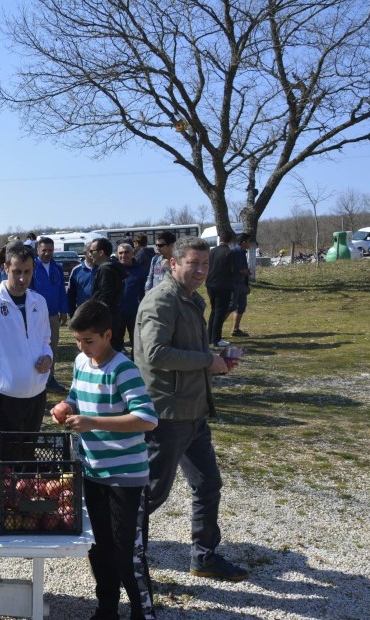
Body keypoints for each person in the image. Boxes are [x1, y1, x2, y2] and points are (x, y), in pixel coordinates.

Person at [133, 236, 248, 582]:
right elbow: (155, 353)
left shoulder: (191, 299)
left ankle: (205, 557)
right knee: (150, 493)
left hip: (193, 411)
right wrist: (206, 361)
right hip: (168, 414)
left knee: (208, 484)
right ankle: (112, 549)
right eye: (192, 264)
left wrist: (217, 361)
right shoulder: (162, 300)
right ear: (174, 264)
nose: (200, 271)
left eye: (204, 265)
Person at [51, 300, 157, 620]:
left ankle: (143, 613)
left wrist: (93, 423)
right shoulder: (83, 363)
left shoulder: (123, 369)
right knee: (99, 550)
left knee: (127, 556)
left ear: (108, 334)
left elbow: (147, 419)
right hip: (92, 470)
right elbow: (76, 396)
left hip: (126, 476)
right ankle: (107, 609)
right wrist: (65, 407)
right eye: (78, 341)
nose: (83, 348)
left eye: (89, 341)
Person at [0, 242, 51, 432]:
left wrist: (48, 358)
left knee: (28, 456)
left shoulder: (39, 302)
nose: (22, 278)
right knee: (7, 459)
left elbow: (45, 341)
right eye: (17, 272)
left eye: (27, 272)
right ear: (5, 268)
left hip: (37, 395)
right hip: (5, 399)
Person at [29, 236, 68, 391]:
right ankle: (35, 378)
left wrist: (64, 310)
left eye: (50, 250)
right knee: (35, 346)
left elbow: (61, 290)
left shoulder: (56, 268)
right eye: (44, 250)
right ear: (38, 250)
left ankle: (50, 378)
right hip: (34, 315)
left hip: (52, 315)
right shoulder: (31, 267)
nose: (47, 253)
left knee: (52, 346)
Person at [88, 238, 128, 352]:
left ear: (101, 252)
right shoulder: (110, 267)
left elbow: (105, 296)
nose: (90, 254)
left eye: (92, 251)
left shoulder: (106, 269)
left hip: (106, 318)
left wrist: (96, 315)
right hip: (112, 316)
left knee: (107, 352)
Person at [205, 230, 237, 347]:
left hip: (210, 284)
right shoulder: (229, 253)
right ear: (231, 240)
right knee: (220, 312)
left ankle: (209, 337)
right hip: (223, 285)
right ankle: (216, 339)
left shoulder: (211, 251)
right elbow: (233, 270)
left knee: (214, 310)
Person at [117, 243, 149, 353]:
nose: (123, 255)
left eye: (126, 252)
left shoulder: (142, 271)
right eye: (120, 253)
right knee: (115, 346)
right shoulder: (113, 270)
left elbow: (146, 293)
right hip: (117, 314)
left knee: (137, 345)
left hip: (135, 314)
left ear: (132, 253)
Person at [230, 234, 252, 337]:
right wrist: (245, 272)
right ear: (244, 242)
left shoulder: (243, 252)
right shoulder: (236, 252)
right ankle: (216, 330)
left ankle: (235, 329)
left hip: (242, 284)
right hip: (234, 284)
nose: (250, 244)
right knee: (231, 307)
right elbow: (234, 270)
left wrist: (246, 285)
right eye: (248, 241)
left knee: (241, 307)